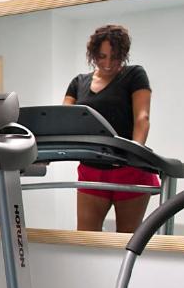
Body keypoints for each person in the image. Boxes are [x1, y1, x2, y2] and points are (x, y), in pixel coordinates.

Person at [63, 24, 156, 232]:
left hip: (129, 169)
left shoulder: (134, 75)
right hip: (90, 169)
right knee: (85, 239)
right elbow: (63, 119)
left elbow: (142, 117)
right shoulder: (79, 82)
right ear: (93, 54)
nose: (107, 63)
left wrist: (135, 153)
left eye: (114, 57)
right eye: (102, 56)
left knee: (126, 241)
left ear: (123, 55)